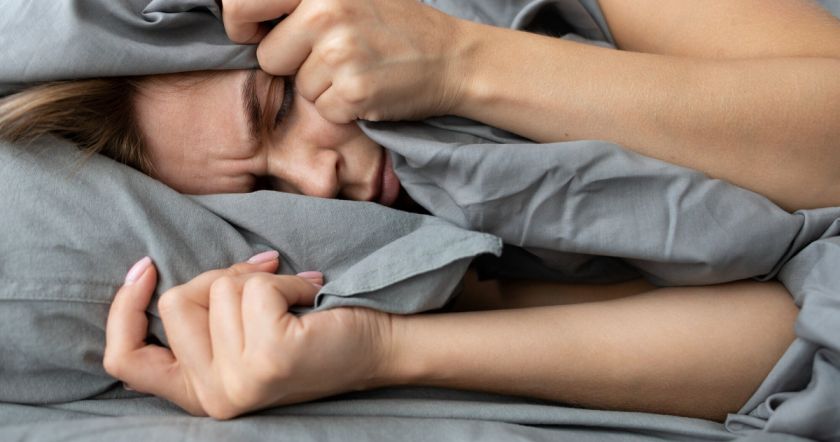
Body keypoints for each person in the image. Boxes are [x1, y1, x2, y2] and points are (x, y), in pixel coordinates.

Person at [0, 0, 836, 422]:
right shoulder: (422, 260)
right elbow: (788, 331)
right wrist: (385, 350)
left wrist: (460, 61)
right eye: (265, 195)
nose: (316, 183)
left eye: (277, 110)